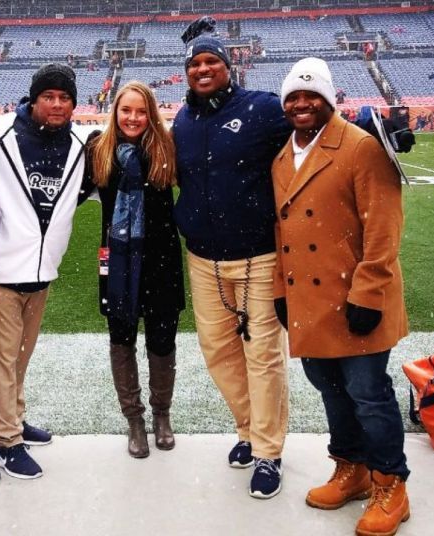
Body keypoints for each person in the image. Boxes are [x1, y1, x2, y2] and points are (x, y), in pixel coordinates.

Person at [272, 57, 410, 536]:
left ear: (329, 100)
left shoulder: (360, 147)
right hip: (309, 303)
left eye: (312, 96)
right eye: (293, 96)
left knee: (369, 394)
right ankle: (350, 468)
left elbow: (384, 225)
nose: (302, 104)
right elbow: (279, 232)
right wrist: (279, 293)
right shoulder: (280, 157)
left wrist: (369, 291)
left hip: (356, 300)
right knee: (331, 391)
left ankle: (391, 482)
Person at [171, 17, 291, 500]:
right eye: (196, 63)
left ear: (228, 65)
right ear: (187, 71)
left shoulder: (261, 109)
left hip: (259, 257)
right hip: (203, 259)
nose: (203, 69)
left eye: (211, 61)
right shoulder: (182, 119)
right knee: (219, 353)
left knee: (263, 356)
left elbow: (313, 124)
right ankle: (247, 429)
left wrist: (373, 125)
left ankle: (268, 451)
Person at [0, 63, 93, 479]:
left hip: (43, 270)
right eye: (49, 96)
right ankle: (5, 441)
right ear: (34, 98)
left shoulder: (81, 142)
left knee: (21, 355)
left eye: (65, 98)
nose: (57, 104)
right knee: (0, 357)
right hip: (0, 269)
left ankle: (14, 417)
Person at [88, 81, 184, 458]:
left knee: (162, 342)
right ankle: (134, 419)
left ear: (151, 114)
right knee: (122, 338)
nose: (133, 118)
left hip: (161, 258)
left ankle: (162, 415)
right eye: (126, 110)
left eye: (141, 111)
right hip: (118, 261)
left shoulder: (166, 148)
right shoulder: (99, 150)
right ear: (115, 112)